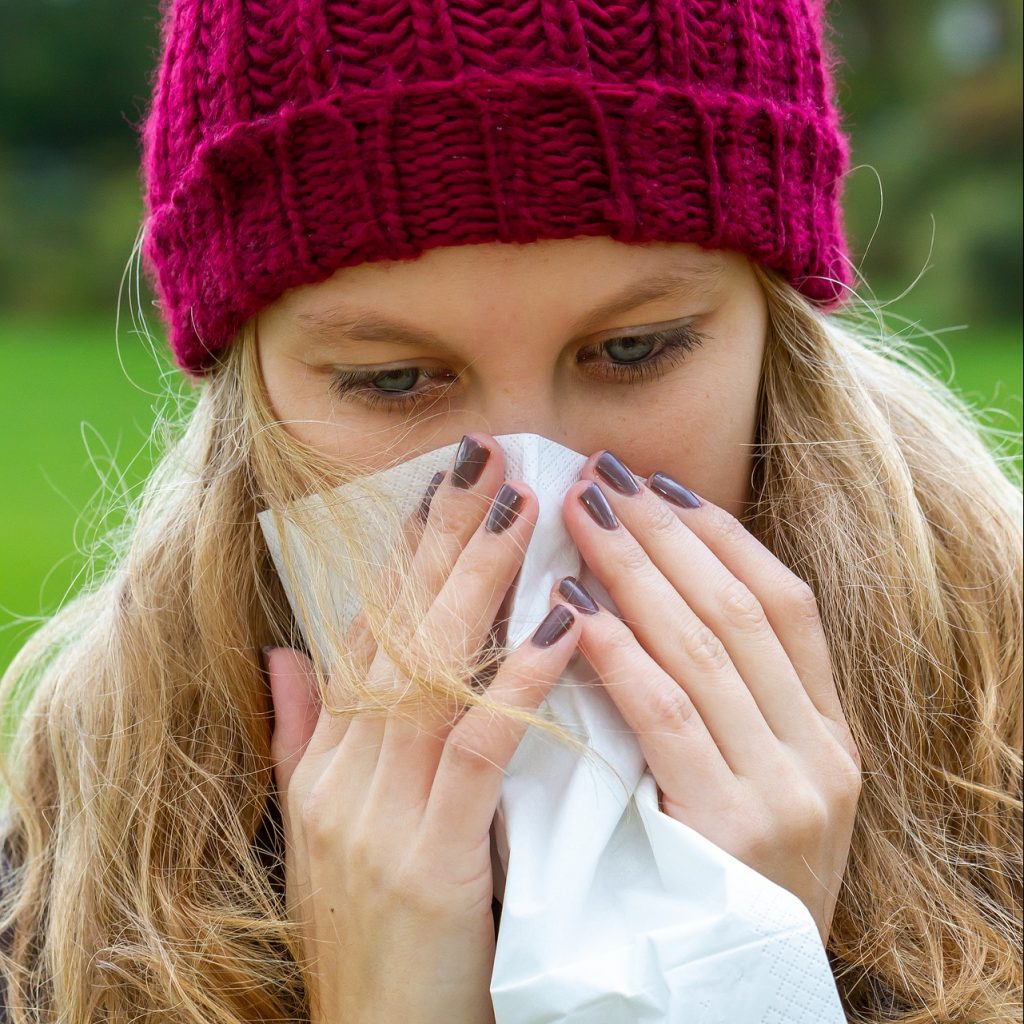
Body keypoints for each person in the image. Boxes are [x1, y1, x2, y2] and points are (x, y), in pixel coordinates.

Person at [1, 0, 1021, 1021]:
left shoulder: (1000, 781)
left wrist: (748, 981)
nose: (533, 500)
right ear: (251, 401)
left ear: (775, 338)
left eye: (634, 350)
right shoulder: (53, 912)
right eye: (394, 379)